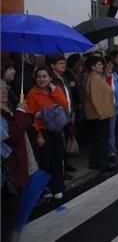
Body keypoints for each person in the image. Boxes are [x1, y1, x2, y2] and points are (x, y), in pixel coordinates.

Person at [1, 80, 36, 242]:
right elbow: (12, 133)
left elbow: (20, 126)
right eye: (0, 89)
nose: (4, 91)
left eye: (5, 88)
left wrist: (23, 113)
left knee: (12, 208)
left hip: (13, 163)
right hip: (8, 166)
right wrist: (20, 112)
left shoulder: (5, 108)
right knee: (8, 210)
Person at [26, 67, 68, 199]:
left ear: (50, 78)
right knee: (45, 161)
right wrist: (38, 135)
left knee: (57, 159)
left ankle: (58, 187)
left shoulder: (56, 90)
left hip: (57, 129)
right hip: (42, 132)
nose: (41, 79)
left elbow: (64, 105)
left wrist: (55, 92)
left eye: (45, 76)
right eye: (39, 77)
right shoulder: (32, 94)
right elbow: (31, 117)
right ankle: (46, 188)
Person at [46, 54, 77, 180]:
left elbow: (68, 96)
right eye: (60, 63)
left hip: (68, 114)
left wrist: (72, 112)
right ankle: (61, 170)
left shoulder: (64, 77)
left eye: (64, 63)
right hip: (58, 116)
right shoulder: (51, 80)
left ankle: (66, 163)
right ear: (53, 66)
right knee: (60, 145)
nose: (63, 65)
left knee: (66, 141)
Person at [84, 56, 115, 172]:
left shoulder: (96, 77)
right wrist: (101, 114)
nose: (102, 66)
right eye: (99, 64)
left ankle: (95, 162)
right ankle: (104, 163)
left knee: (97, 140)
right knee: (102, 140)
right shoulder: (94, 79)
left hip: (98, 114)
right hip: (100, 115)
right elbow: (96, 99)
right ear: (92, 67)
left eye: (101, 64)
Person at [103, 56, 118, 162]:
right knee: (104, 132)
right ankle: (105, 152)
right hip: (103, 108)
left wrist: (117, 103)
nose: (110, 67)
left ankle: (112, 152)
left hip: (114, 108)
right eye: (108, 65)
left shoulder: (116, 77)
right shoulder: (100, 79)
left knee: (112, 131)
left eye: (111, 65)